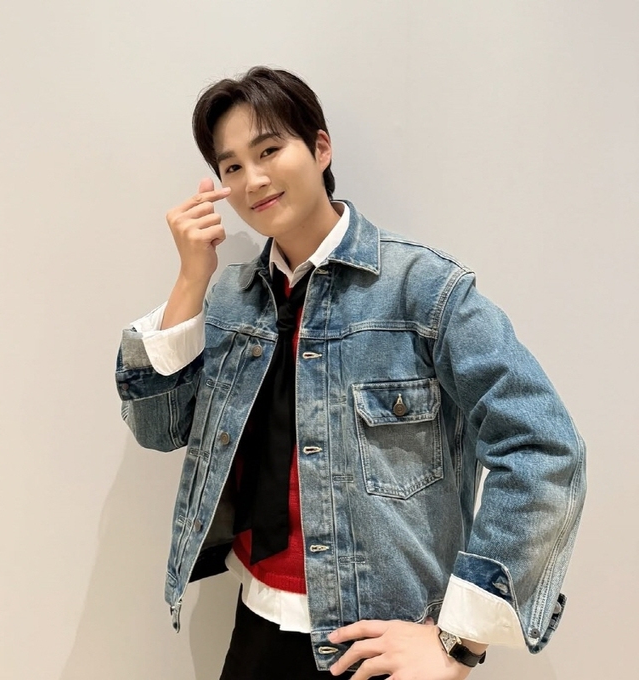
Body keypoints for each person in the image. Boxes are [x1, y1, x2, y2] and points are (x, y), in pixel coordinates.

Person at [115, 66, 586, 680]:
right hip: (257, 623)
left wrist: (458, 641)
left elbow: (543, 446)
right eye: (232, 166)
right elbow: (158, 428)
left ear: (320, 148)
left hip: (380, 642)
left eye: (269, 150)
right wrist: (190, 279)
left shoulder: (423, 289)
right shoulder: (231, 298)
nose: (253, 179)